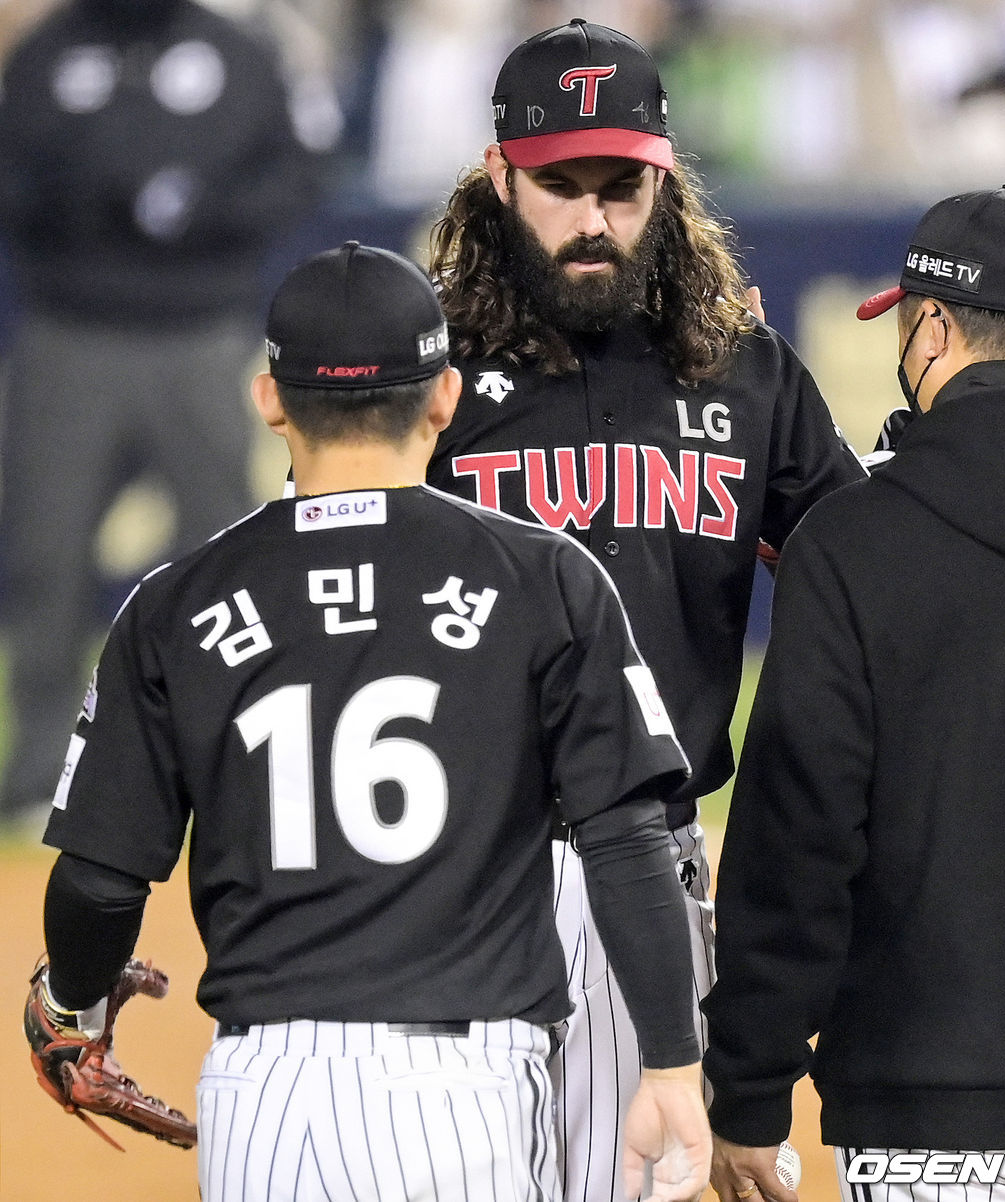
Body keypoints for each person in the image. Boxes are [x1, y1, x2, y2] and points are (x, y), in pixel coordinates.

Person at [29, 242, 713, 1202]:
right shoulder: (543, 578)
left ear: (269, 401)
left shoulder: (173, 605)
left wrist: (67, 1003)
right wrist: (674, 1064)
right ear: (444, 399)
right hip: (458, 1095)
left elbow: (101, 888)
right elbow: (626, 836)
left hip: (259, 1097)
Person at [425, 17, 866, 1200]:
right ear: (496, 179)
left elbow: (861, 585)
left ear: (665, 181)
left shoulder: (748, 372)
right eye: (557, 186)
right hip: (447, 868)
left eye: (621, 187)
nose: (590, 220)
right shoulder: (428, 380)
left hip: (650, 868)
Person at [702, 184, 1005, 1202]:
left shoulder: (854, 541)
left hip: (930, 1099)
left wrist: (745, 1083)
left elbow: (800, 829)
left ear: (930, 325)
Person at [0, 0, 337, 826]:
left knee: (228, 555)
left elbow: (294, 174)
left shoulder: (237, 53)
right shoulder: (49, 52)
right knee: (47, 554)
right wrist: (89, 201)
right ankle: (41, 765)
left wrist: (205, 211)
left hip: (201, 332)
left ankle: (234, 758)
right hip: (71, 329)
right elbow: (10, 173)